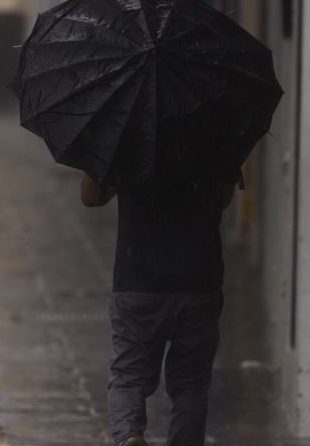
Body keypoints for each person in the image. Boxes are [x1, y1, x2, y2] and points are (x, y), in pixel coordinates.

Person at [81, 167, 243, 446]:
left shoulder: (126, 133)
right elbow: (224, 198)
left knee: (128, 377)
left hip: (139, 277)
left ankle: (130, 435)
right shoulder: (217, 129)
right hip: (199, 276)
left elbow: (90, 197)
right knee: (191, 387)